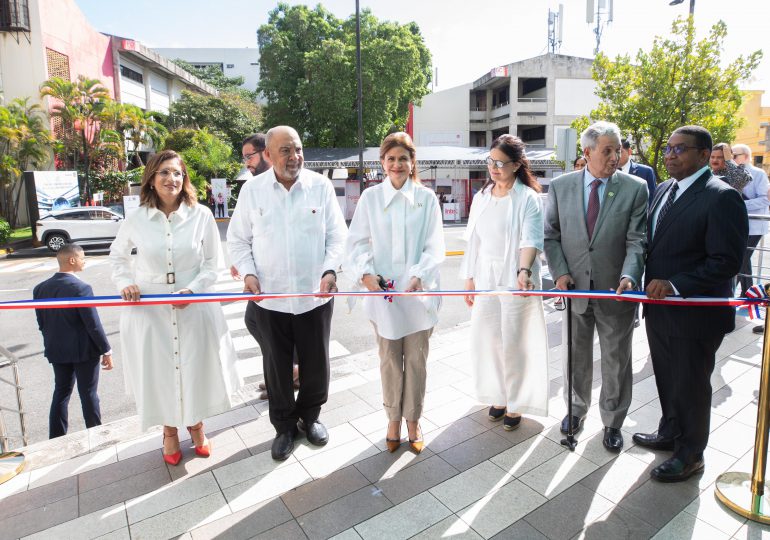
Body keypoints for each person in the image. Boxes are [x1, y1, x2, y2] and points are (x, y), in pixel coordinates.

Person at [110, 150, 242, 466]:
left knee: (193, 368)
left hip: (192, 306)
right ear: (152, 179)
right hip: (150, 310)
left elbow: (213, 263)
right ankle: (169, 431)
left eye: (178, 173)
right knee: (160, 372)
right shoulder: (137, 218)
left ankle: (196, 425)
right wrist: (125, 282)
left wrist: (192, 289)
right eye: (165, 173)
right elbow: (118, 258)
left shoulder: (201, 215)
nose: (172, 179)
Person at [634, 125, 748, 482]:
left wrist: (673, 284)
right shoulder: (665, 189)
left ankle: (691, 454)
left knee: (691, 384)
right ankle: (670, 432)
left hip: (695, 312)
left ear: (703, 155)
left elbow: (726, 261)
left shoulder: (721, 196)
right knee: (668, 377)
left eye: (679, 149)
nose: (670, 155)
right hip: (661, 309)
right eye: (668, 148)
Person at [227, 126, 347, 461]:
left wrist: (330, 270)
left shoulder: (320, 187)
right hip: (271, 298)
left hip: (314, 296)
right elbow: (237, 240)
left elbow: (338, 236)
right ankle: (283, 427)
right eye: (285, 151)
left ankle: (310, 418)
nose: (294, 157)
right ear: (268, 155)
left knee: (316, 363)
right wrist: (248, 273)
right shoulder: (253, 192)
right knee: (277, 367)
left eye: (297, 149)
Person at [544, 121, 647, 452]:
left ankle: (613, 421)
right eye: (607, 150)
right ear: (587, 152)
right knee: (575, 356)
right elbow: (551, 236)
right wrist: (560, 273)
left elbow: (637, 240)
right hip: (575, 290)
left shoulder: (634, 188)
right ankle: (575, 411)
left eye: (617, 150)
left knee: (616, 360)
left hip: (615, 292)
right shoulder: (561, 187)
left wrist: (630, 275)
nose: (615, 156)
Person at [345, 132, 445, 453]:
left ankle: (413, 420)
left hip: (418, 297)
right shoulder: (371, 199)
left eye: (403, 158)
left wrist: (420, 274)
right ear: (383, 163)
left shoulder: (426, 199)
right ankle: (392, 419)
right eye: (391, 159)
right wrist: (365, 274)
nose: (398, 164)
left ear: (412, 161)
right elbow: (356, 243)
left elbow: (434, 245)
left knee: (416, 360)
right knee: (389, 359)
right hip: (384, 298)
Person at [460, 134, 549, 431]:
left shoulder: (528, 198)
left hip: (514, 276)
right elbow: (472, 239)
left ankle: (516, 400)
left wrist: (524, 270)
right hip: (486, 275)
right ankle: (497, 395)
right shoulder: (482, 197)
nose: (494, 168)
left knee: (515, 341)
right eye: (490, 161)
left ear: (516, 165)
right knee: (488, 339)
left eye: (500, 163)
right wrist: (469, 278)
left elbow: (531, 238)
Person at [238, 133, 298, 399]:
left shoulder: (293, 185)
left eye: (249, 156)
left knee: (272, 328)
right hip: (264, 281)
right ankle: (281, 373)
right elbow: (244, 234)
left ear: (266, 154)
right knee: (256, 323)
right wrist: (245, 266)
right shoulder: (253, 189)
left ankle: (288, 373)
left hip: (295, 282)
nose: (247, 163)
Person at [34, 243, 113, 439]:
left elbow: (41, 322)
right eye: (82, 257)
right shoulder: (81, 288)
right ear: (72, 260)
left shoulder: (40, 289)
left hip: (57, 350)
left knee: (61, 392)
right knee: (88, 393)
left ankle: (56, 437)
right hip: (84, 351)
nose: (84, 261)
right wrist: (106, 350)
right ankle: (95, 433)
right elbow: (92, 323)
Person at [732, 144, 770, 301]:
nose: (732, 158)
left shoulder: (758, 174)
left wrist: (739, 205)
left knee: (741, 258)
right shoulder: (731, 173)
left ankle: (739, 293)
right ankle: (748, 293)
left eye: (735, 155)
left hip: (755, 226)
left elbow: (764, 199)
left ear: (746, 156)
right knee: (744, 259)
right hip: (739, 225)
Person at [619, 138, 657, 206]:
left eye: (620, 152)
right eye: (614, 152)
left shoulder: (645, 172)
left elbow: (652, 200)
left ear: (629, 151)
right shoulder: (607, 172)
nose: (616, 156)